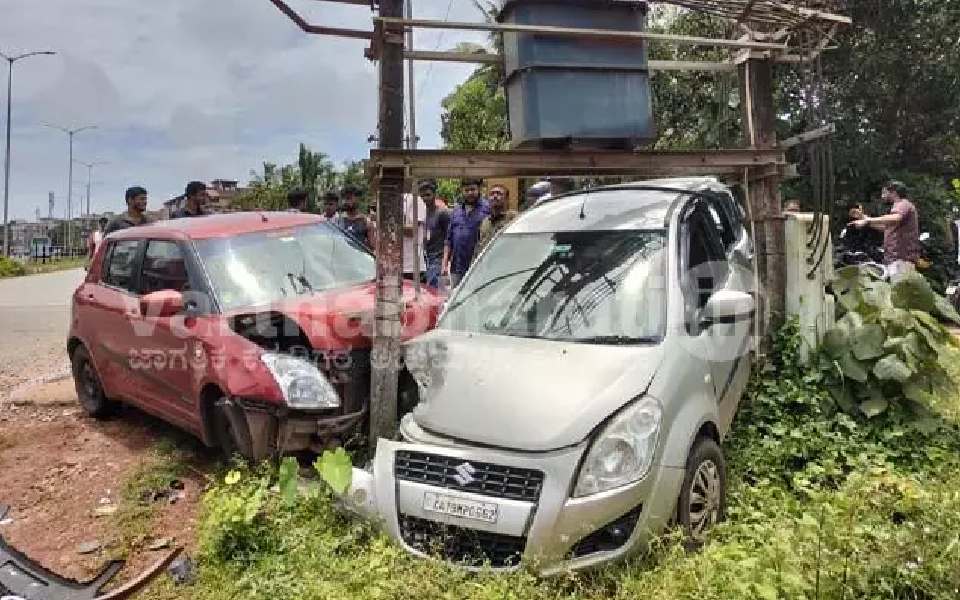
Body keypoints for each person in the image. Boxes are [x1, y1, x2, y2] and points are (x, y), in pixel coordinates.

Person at [852, 180, 920, 277]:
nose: (882, 196)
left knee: (899, 288)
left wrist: (868, 220)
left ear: (894, 192)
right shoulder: (897, 207)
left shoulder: (903, 204)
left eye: (884, 192)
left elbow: (895, 218)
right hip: (894, 258)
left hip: (902, 259)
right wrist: (864, 218)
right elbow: (885, 227)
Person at [443, 178, 490, 287]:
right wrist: (444, 264)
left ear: (479, 189)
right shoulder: (456, 211)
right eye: (466, 190)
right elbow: (448, 240)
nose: (470, 193)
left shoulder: (487, 209)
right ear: (462, 191)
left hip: (478, 267)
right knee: (456, 298)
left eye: (472, 189)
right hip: (457, 267)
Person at [419, 180, 450, 288]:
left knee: (434, 289)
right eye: (422, 195)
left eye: (428, 195)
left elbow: (448, 238)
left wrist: (445, 262)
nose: (425, 198)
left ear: (434, 195)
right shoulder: (419, 213)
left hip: (437, 259)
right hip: (423, 258)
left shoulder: (442, 213)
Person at [478, 184, 517, 251]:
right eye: (492, 194)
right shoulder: (485, 222)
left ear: (507, 199)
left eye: (499, 194)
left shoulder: (515, 219)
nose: (495, 196)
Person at [403, 184, 429, 280]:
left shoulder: (415, 200)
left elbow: (412, 231)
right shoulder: (390, 201)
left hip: (412, 267)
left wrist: (392, 225)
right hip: (395, 266)